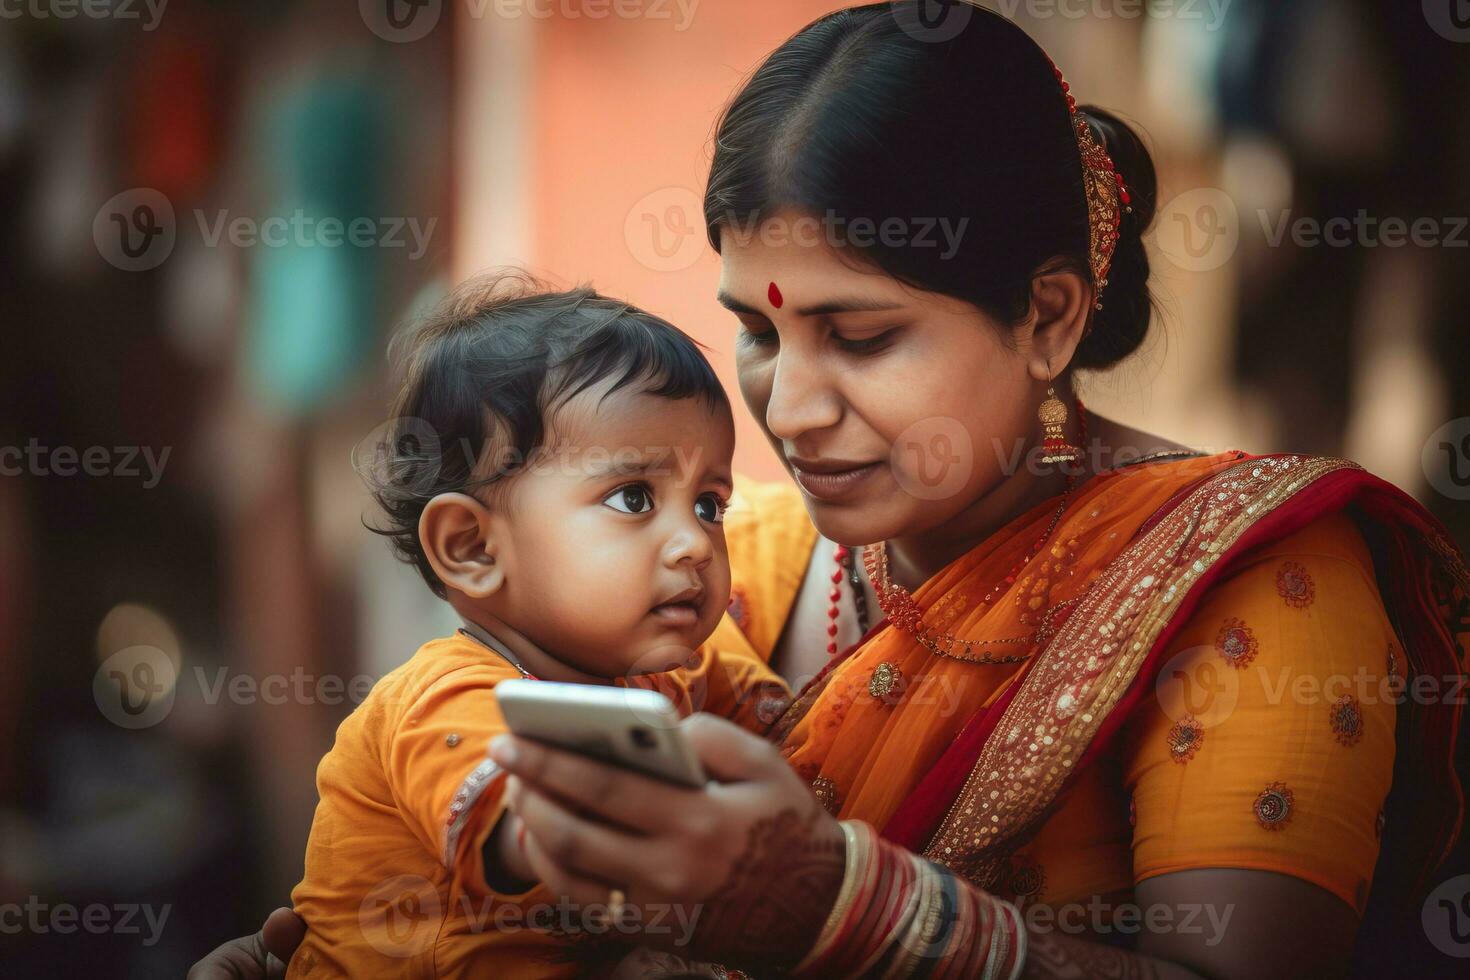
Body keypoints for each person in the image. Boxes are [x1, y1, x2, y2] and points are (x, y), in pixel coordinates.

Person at [193, 3, 1469, 977]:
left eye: (860, 338)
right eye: (757, 329)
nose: (786, 410)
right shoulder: (723, 565)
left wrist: (838, 904)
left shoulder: (1253, 583)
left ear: (1047, 315)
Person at [279, 273, 784, 979]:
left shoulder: (673, 677)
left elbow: (796, 739)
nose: (695, 543)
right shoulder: (442, 699)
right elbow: (514, 815)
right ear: (473, 548)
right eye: (635, 496)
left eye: (709, 504)